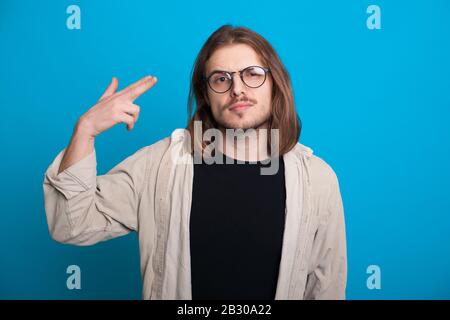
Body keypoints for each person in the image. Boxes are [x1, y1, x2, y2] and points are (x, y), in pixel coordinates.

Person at [43, 24, 347, 300]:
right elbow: (72, 224)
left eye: (252, 74)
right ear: (206, 94)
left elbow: (326, 289)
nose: (237, 88)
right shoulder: (160, 164)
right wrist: (85, 131)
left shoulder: (316, 180)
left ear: (274, 83)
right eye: (221, 79)